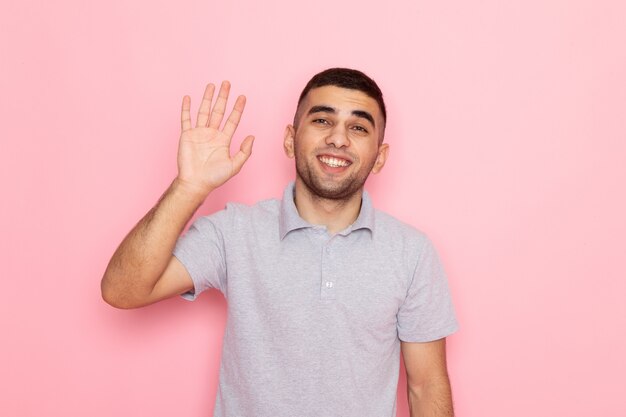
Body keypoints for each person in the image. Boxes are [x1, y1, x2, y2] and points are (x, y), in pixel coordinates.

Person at [101, 68, 459, 417]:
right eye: (322, 120)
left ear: (379, 157)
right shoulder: (235, 232)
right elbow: (122, 290)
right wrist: (189, 188)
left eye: (359, 127)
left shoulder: (411, 252)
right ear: (290, 139)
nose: (338, 138)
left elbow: (425, 387)